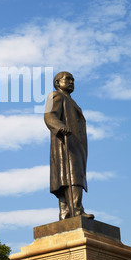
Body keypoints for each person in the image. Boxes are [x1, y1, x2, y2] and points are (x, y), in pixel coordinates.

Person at [44, 71, 94, 220]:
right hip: (65, 143)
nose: (71, 82)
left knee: (69, 177)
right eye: (67, 79)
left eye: (73, 80)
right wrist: (60, 126)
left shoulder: (71, 101)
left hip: (75, 144)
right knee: (72, 176)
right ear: (57, 83)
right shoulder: (56, 96)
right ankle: (77, 210)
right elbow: (49, 115)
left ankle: (65, 213)